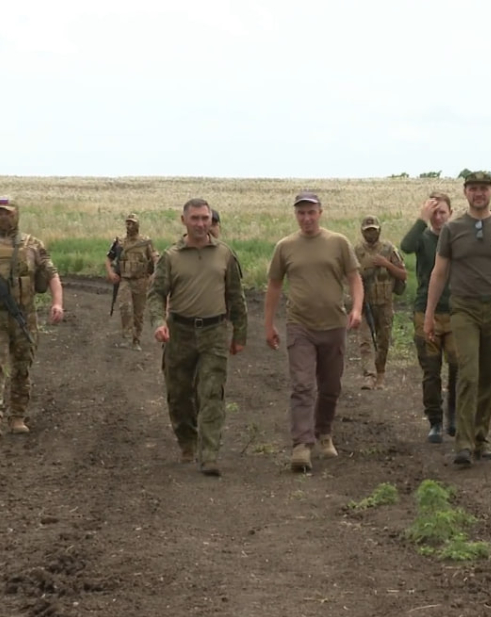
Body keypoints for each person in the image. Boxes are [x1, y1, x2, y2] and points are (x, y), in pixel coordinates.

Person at [424, 172, 491, 466]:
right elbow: (439, 272)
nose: (478, 193)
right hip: (464, 308)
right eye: (473, 189)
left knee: (488, 374)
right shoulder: (452, 229)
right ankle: (463, 444)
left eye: (483, 188)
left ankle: (481, 439)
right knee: (468, 371)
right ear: (465, 193)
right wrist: (429, 315)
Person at [264, 190, 363, 473]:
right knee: (303, 385)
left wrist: (356, 309)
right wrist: (268, 323)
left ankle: (323, 433)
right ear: (296, 215)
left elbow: (354, 278)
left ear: (320, 212)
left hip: (334, 325)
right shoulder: (285, 247)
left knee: (330, 386)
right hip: (300, 326)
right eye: (301, 213)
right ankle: (301, 445)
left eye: (311, 212)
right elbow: (274, 286)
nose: (306, 218)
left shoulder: (338, 243)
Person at [147, 198, 247, 476]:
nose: (201, 224)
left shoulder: (225, 254)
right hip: (180, 332)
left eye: (205, 218)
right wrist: (158, 322)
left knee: (211, 392)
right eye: (195, 219)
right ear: (184, 221)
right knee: (178, 394)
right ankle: (187, 442)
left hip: (214, 332)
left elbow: (236, 297)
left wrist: (240, 333)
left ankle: (209, 454)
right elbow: (156, 294)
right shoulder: (171, 256)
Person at [0, 196, 64, 437]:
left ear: (16, 214)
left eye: (7, 212)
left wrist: (58, 303)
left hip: (23, 316)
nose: (2, 217)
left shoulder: (33, 245)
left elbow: (51, 275)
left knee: (21, 367)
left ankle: (17, 416)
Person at [400, 192, 457, 444]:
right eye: (433, 212)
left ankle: (453, 416)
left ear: (451, 213)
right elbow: (406, 246)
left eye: (442, 212)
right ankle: (435, 421)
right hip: (426, 311)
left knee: (458, 366)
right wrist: (420, 220)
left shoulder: (457, 238)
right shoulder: (422, 238)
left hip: (456, 311)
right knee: (431, 370)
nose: (438, 217)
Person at [354, 215, 407, 390]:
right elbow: (350, 278)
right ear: (362, 232)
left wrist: (387, 265)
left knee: (383, 341)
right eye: (367, 231)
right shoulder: (357, 252)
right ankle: (369, 376)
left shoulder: (389, 250)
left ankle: (380, 374)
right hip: (365, 304)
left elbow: (403, 275)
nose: (371, 234)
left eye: (373, 231)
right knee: (365, 341)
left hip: (384, 304)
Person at [105, 213, 159, 350]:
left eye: (132, 223)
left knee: (139, 312)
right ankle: (127, 337)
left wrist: (155, 274)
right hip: (125, 280)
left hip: (141, 280)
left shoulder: (145, 242)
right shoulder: (120, 242)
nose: (129, 226)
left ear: (137, 225)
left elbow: (155, 258)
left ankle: (137, 339)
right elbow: (108, 258)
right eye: (128, 223)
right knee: (125, 308)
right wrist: (111, 273)